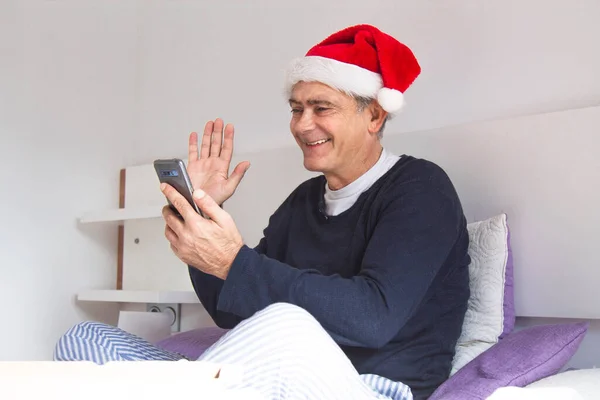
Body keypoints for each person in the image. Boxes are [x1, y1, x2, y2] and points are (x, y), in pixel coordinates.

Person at [54, 24, 470, 400]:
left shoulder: (420, 188)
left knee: (286, 325)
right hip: (266, 375)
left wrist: (235, 263)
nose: (303, 125)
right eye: (296, 108)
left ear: (375, 115)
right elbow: (231, 310)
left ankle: (179, 389)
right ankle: (186, 389)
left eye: (321, 108)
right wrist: (204, 217)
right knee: (85, 338)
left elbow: (372, 318)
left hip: (369, 387)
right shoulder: (303, 201)